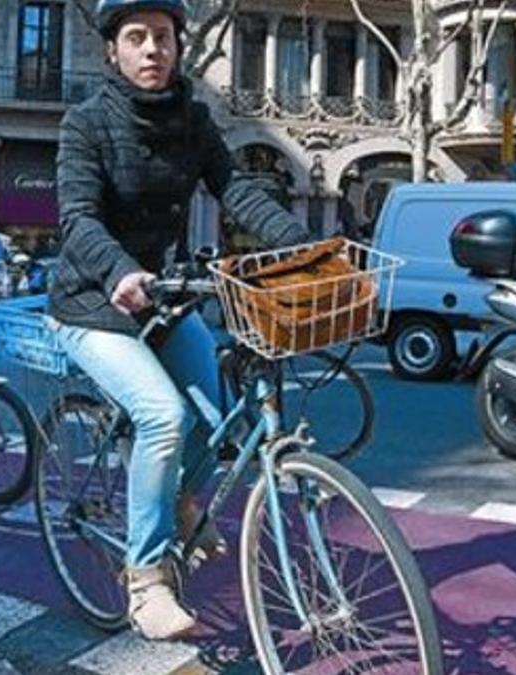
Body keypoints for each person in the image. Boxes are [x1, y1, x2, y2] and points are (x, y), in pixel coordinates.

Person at [49, 0, 308, 640]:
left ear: (178, 46)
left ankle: (188, 505)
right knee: (164, 417)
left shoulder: (193, 119)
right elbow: (77, 217)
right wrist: (118, 272)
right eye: (135, 37)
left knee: (219, 416)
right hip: (92, 302)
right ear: (113, 49)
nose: (150, 50)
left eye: (162, 36)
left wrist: (303, 247)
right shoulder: (86, 124)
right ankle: (146, 578)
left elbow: (237, 188)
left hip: (164, 298)